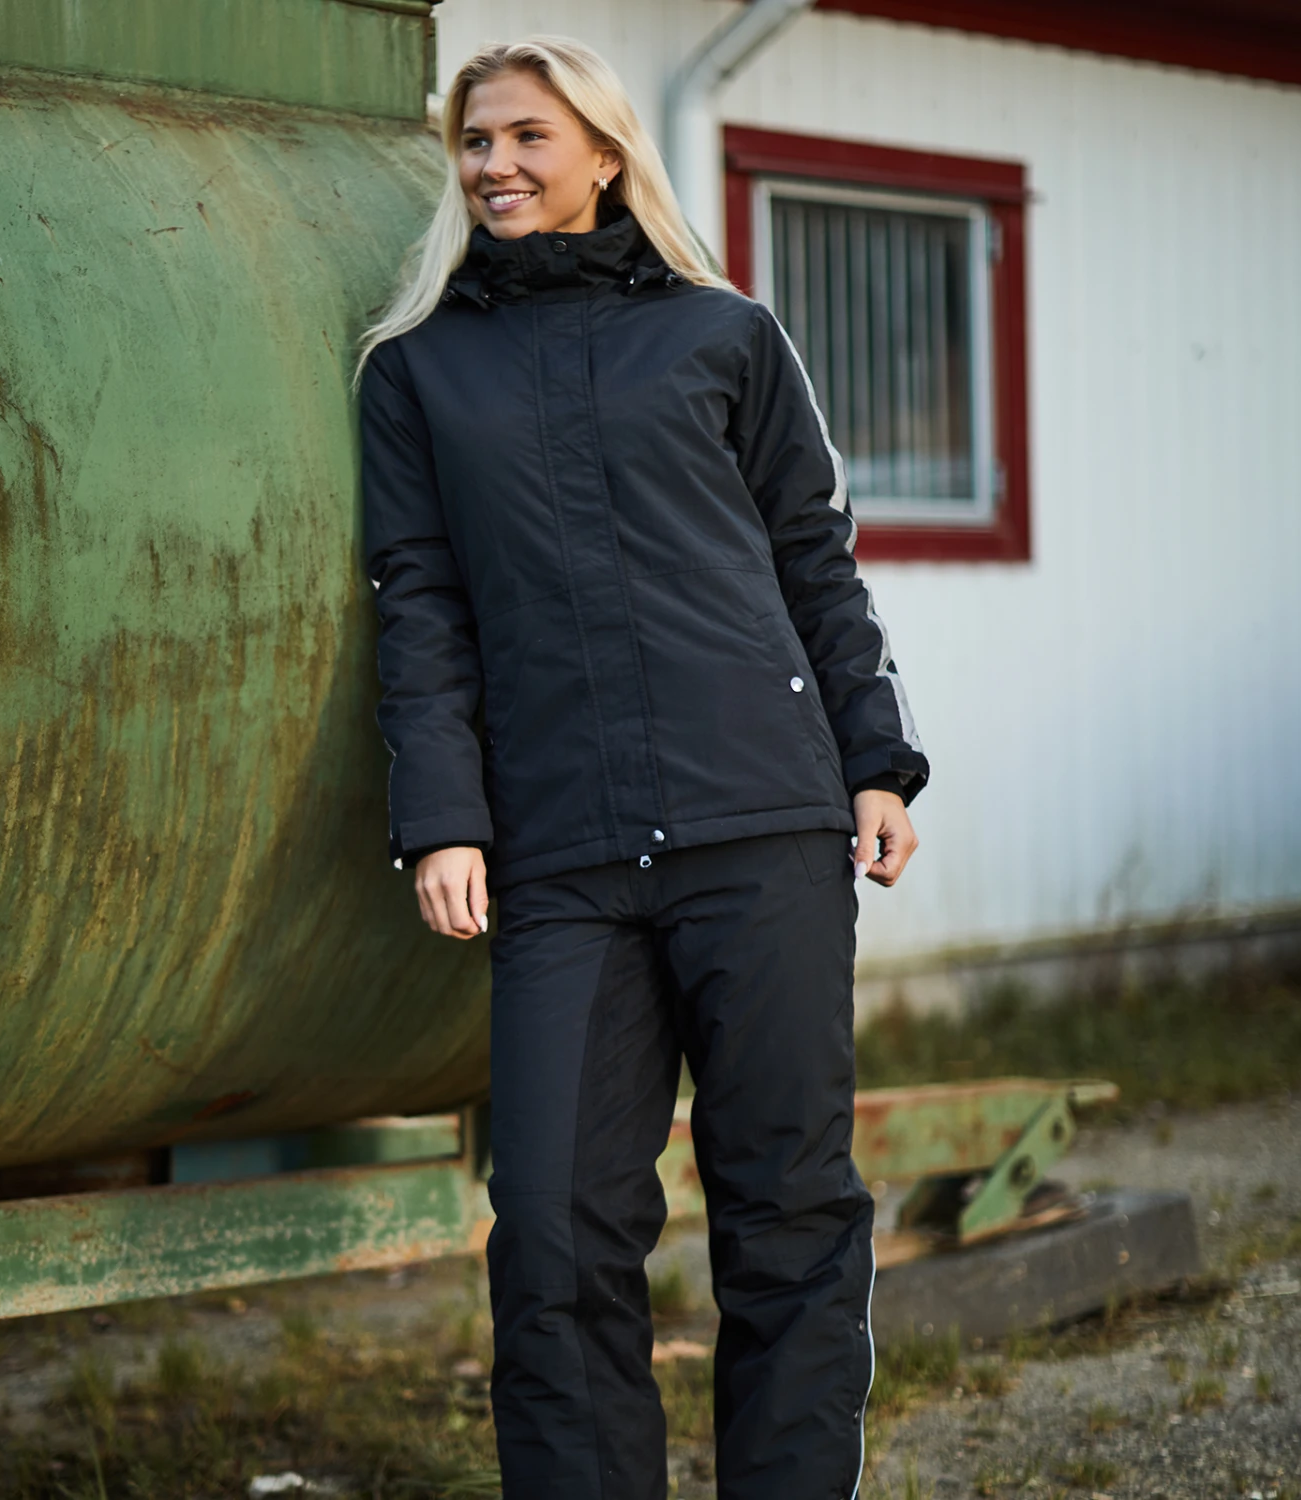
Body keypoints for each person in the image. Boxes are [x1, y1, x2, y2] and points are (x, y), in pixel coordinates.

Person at [356, 34, 928, 1500]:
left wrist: (876, 760)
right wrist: (443, 817)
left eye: (526, 137)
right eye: (475, 141)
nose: (494, 165)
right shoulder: (417, 372)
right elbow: (417, 601)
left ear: (605, 154)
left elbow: (814, 559)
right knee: (551, 1235)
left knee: (787, 1213)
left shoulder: (723, 334)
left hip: (761, 822)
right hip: (563, 854)